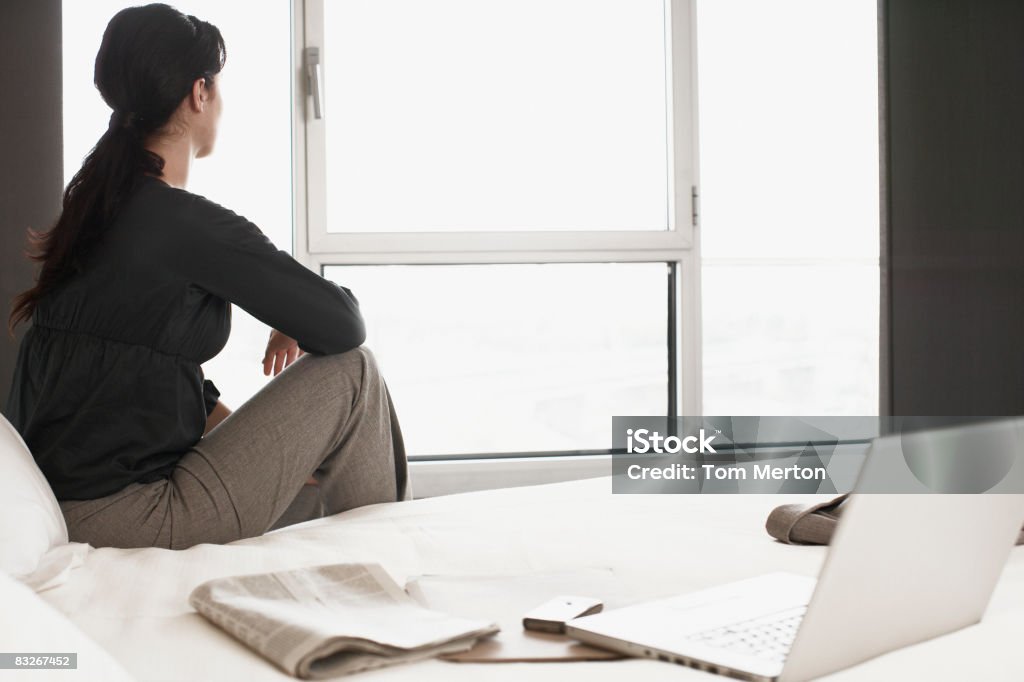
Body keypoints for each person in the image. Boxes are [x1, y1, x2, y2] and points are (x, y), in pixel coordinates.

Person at [3, 3, 409, 550]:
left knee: (318, 493)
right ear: (199, 92)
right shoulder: (184, 223)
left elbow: (132, 385)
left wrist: (280, 444)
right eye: (217, 86)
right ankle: (391, 576)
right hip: (130, 514)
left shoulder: (94, 216)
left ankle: (373, 574)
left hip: (71, 506)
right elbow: (343, 328)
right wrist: (297, 319)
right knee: (355, 372)